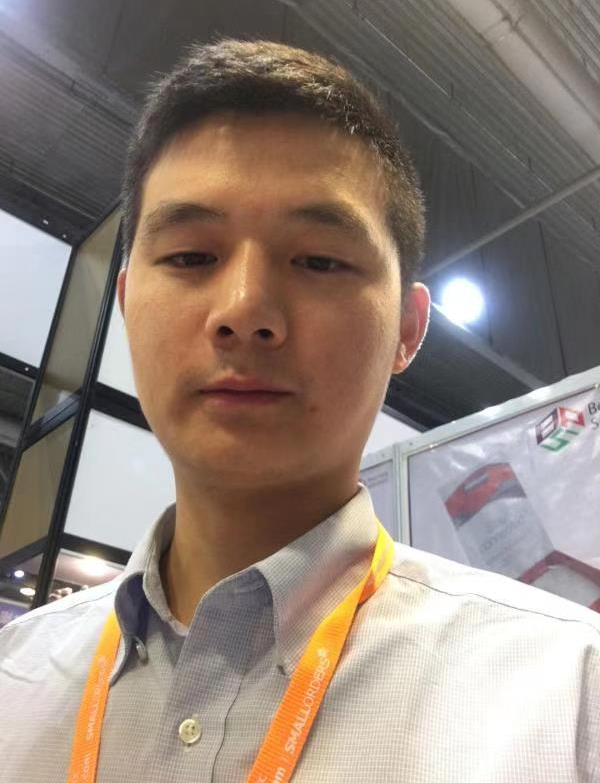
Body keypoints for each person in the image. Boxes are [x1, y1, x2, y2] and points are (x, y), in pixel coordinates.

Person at [1, 39, 598, 783]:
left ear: (408, 330)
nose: (245, 310)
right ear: (127, 305)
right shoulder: (14, 679)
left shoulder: (569, 700)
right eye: (191, 256)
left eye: (319, 260)